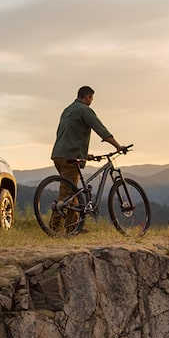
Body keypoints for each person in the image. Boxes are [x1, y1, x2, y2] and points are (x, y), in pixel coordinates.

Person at [49, 85, 126, 233]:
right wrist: (117, 146)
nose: (91, 101)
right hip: (70, 156)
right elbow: (100, 129)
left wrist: (84, 154)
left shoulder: (67, 110)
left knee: (71, 191)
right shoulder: (85, 110)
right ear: (87, 97)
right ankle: (54, 228)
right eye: (91, 99)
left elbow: (68, 133)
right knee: (66, 194)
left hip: (59, 154)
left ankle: (73, 227)